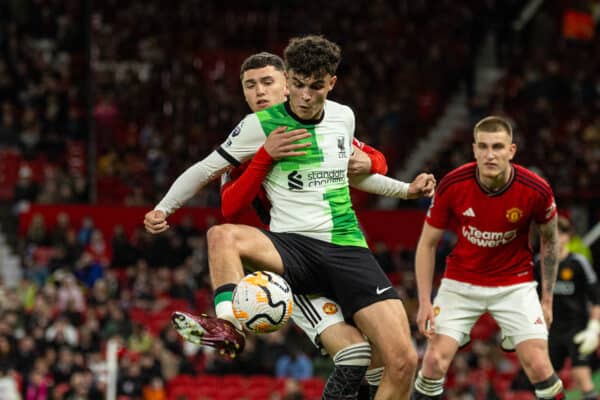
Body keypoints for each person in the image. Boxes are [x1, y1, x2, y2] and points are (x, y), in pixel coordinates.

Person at [144, 47, 433, 399]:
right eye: (251, 85)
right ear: (291, 86)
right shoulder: (256, 128)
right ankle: (229, 326)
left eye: (268, 82)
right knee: (222, 236)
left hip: (347, 248)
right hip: (290, 248)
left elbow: (353, 168)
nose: (261, 92)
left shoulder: (342, 117)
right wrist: (163, 208)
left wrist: (404, 188)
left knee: (399, 362)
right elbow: (217, 188)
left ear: (328, 84)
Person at [413, 115, 565, 400]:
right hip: (461, 282)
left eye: (497, 146)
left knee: (539, 365)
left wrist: (547, 300)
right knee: (433, 361)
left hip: (515, 285)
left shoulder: (536, 190)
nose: (490, 154)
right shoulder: (453, 185)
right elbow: (427, 243)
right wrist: (424, 302)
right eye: (483, 146)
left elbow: (550, 241)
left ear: (512, 150)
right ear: (474, 149)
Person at [536, 215, 600, 399]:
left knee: (583, 378)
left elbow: (596, 299)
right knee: (546, 384)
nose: (555, 238)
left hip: (576, 330)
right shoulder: (539, 262)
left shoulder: (578, 263)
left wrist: (594, 329)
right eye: (551, 233)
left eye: (560, 233)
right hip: (549, 331)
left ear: (567, 237)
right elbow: (529, 295)